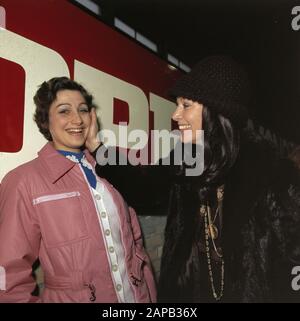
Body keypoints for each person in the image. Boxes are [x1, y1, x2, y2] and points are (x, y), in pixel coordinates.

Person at [90, 56, 300, 302]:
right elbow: (144, 189)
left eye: (186, 105)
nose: (176, 114)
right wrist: (96, 146)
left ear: (216, 110)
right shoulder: (184, 158)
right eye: (177, 104)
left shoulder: (270, 172)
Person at [0, 77, 156, 303]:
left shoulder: (111, 169)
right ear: (45, 121)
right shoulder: (23, 181)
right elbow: (8, 274)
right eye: (64, 111)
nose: (77, 119)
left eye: (83, 110)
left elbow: (136, 243)